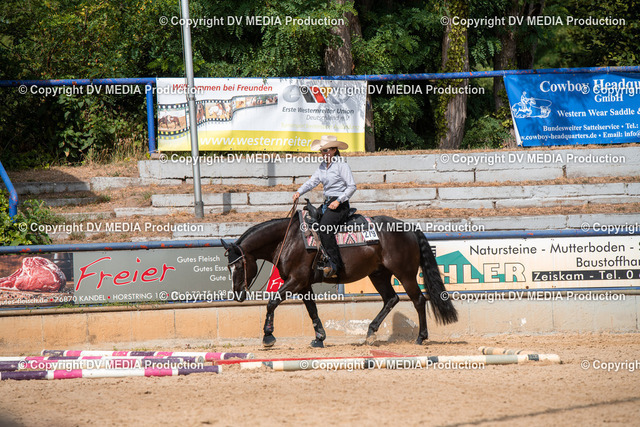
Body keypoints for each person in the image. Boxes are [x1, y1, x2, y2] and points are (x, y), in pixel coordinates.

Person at [293, 135, 356, 278]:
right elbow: (312, 182)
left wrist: (338, 200)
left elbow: (352, 187)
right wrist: (299, 191)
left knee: (325, 228)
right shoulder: (322, 166)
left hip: (339, 204)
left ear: (334, 150)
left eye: (326, 150)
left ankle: (335, 265)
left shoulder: (342, 165)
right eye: (322, 150)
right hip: (328, 203)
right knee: (311, 223)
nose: (323, 153)